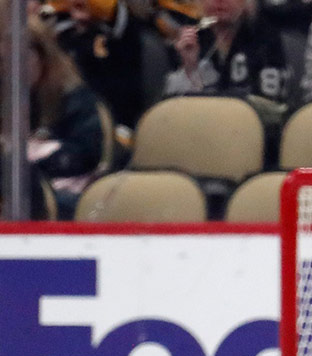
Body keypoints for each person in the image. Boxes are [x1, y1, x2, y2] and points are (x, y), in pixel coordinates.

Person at [27, 17, 110, 219]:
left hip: (65, 194)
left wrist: (39, 154)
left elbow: (87, 155)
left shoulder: (74, 98)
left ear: (43, 57)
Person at [164, 0, 291, 105]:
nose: (220, 1)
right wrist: (190, 67)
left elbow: (271, 106)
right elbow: (172, 106)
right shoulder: (191, 37)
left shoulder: (265, 38)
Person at [54, 0, 146, 130]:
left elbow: (124, 85)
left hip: (114, 116)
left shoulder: (122, 28)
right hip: (65, 118)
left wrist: (87, 28)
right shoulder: (60, 25)